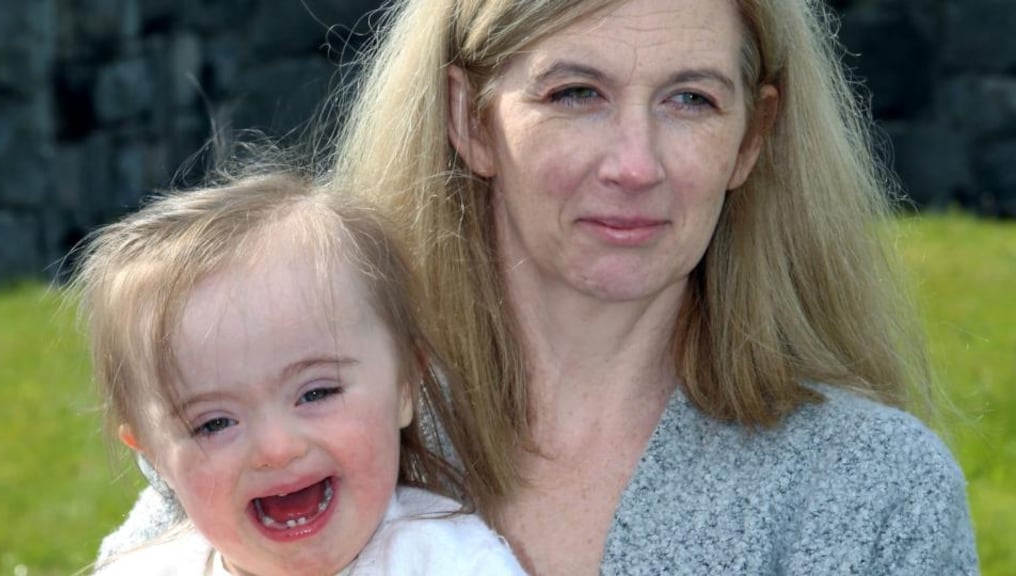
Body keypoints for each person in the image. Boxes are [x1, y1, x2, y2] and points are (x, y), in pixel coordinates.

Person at [101, 0, 980, 574]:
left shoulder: (872, 493)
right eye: (575, 93)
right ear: (468, 122)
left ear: (752, 139)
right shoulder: (303, 416)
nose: (634, 164)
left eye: (690, 101)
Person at [74, 169, 527, 575]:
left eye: (316, 393)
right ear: (154, 456)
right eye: (213, 423)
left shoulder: (448, 562)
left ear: (405, 384)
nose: (277, 448)